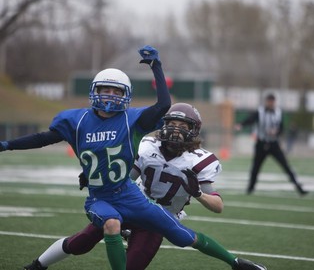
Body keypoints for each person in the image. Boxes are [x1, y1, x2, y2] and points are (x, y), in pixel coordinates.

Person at [1, 45, 266, 270]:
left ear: (126, 96)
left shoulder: (132, 121)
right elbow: (42, 139)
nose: (110, 96)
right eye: (106, 89)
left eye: (117, 92)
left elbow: (162, 105)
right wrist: (7, 144)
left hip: (131, 195)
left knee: (182, 236)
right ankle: (37, 266)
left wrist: (156, 66)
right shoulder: (77, 120)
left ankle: (236, 263)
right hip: (101, 197)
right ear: (95, 90)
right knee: (102, 229)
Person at [24, 103, 260, 270]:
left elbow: (217, 206)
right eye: (172, 123)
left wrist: (196, 192)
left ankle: (235, 263)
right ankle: (37, 265)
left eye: (183, 125)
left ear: (194, 130)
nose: (176, 129)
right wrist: (95, 174)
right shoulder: (148, 146)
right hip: (131, 203)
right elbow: (125, 176)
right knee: (81, 242)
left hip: (159, 220)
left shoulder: (201, 160)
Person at [235, 93, 308, 195]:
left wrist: (276, 132)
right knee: (255, 168)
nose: (270, 103)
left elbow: (282, 129)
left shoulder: (278, 113)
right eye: (269, 101)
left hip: (274, 144)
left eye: (272, 102)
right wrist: (241, 124)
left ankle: (298, 187)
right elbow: (251, 119)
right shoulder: (260, 112)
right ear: (266, 102)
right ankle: (250, 189)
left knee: (286, 166)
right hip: (261, 143)